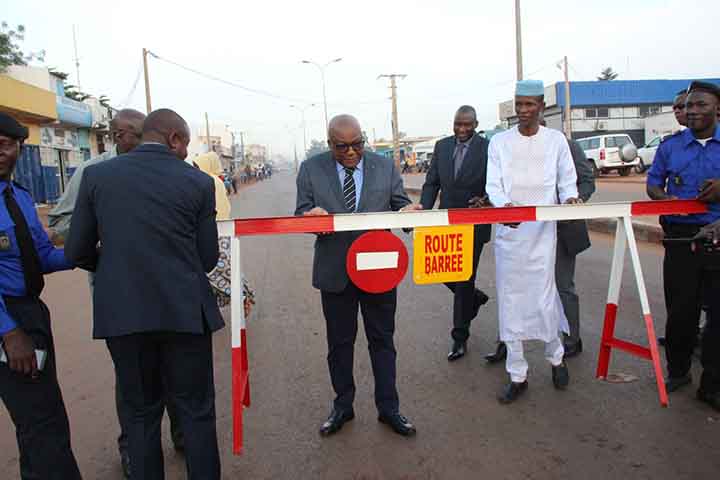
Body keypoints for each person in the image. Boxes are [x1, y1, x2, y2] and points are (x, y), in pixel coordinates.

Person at [65, 109, 224, 478]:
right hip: (185, 314)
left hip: (124, 316)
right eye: (184, 144)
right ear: (173, 139)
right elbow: (207, 258)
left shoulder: (96, 176)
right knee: (196, 411)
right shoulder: (198, 183)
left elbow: (76, 251)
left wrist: (116, 266)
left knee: (139, 414)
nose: (186, 153)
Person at [48, 108, 183, 478]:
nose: (150, 144)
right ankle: (133, 449)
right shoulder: (94, 174)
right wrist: (104, 244)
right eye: (142, 137)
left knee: (173, 369)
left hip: (166, 291)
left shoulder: (165, 167)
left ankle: (181, 433)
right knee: (133, 382)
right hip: (120, 296)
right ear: (121, 136)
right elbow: (60, 225)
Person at [295, 114, 421, 437]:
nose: (352, 152)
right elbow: (300, 213)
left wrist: (409, 214)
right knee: (340, 344)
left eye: (357, 144)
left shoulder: (384, 166)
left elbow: (400, 206)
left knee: (382, 340)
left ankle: (389, 408)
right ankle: (343, 406)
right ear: (329, 143)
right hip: (335, 273)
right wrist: (311, 217)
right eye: (342, 147)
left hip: (378, 271)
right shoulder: (311, 169)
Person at [485, 80, 579, 404]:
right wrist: (503, 207)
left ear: (540, 105)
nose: (523, 111)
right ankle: (517, 373)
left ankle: (556, 358)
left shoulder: (556, 141)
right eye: (518, 104)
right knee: (510, 301)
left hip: (543, 232)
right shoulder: (498, 142)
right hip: (510, 231)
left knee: (544, 298)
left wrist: (570, 200)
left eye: (529, 104)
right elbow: (493, 185)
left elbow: (568, 180)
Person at [0, 112, 82, 479]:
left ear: (18, 148)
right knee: (41, 419)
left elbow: (42, 257)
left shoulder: (18, 196)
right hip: (9, 321)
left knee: (42, 417)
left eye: (4, 145)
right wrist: (9, 333)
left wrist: (87, 252)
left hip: (30, 314)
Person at [646, 81, 720, 411]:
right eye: (688, 106)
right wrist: (667, 200)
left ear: (717, 108)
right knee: (681, 311)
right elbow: (652, 185)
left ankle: (712, 385)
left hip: (717, 237)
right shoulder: (669, 147)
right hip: (680, 237)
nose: (692, 111)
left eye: (700, 105)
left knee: (717, 318)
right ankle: (677, 371)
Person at [420, 105, 491, 361]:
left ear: (476, 124)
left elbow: (497, 181)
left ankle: (459, 338)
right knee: (437, 270)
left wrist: (487, 199)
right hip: (446, 222)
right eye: (458, 124)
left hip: (475, 222)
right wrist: (424, 211)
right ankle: (474, 299)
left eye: (467, 125)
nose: (462, 129)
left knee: (464, 277)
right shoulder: (442, 146)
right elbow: (432, 182)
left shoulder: (487, 147)